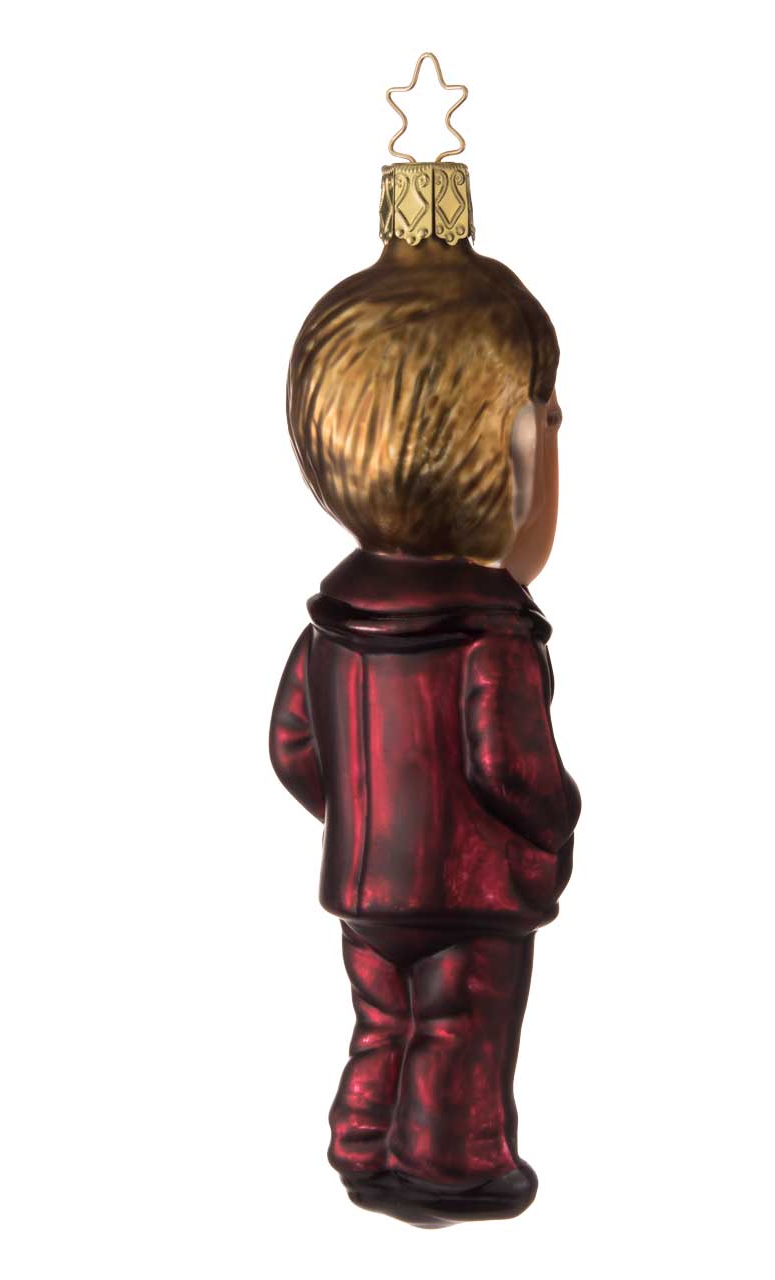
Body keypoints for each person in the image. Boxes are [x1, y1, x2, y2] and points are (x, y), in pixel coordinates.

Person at [269, 234, 579, 1226]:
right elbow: (506, 761)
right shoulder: (489, 633)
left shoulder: (331, 621)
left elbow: (292, 744)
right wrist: (556, 816)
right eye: (550, 421)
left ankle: (364, 1138)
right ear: (510, 458)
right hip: (467, 889)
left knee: (383, 1016)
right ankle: (452, 1156)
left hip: (365, 879)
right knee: (460, 1022)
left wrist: (361, 813)